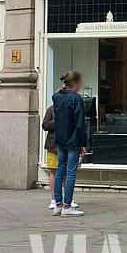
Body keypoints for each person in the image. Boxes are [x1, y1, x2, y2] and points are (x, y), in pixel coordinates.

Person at [52, 71, 87, 217]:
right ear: (77, 83)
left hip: (60, 137)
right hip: (73, 138)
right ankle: (67, 206)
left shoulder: (56, 96)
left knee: (60, 169)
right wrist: (83, 143)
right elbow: (80, 123)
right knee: (71, 171)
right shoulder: (76, 98)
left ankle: (58, 204)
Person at [42, 105, 78, 212]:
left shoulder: (72, 108)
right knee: (55, 171)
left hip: (68, 143)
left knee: (67, 172)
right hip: (53, 145)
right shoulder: (51, 109)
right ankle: (54, 200)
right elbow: (45, 125)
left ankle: (68, 199)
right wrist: (57, 121)